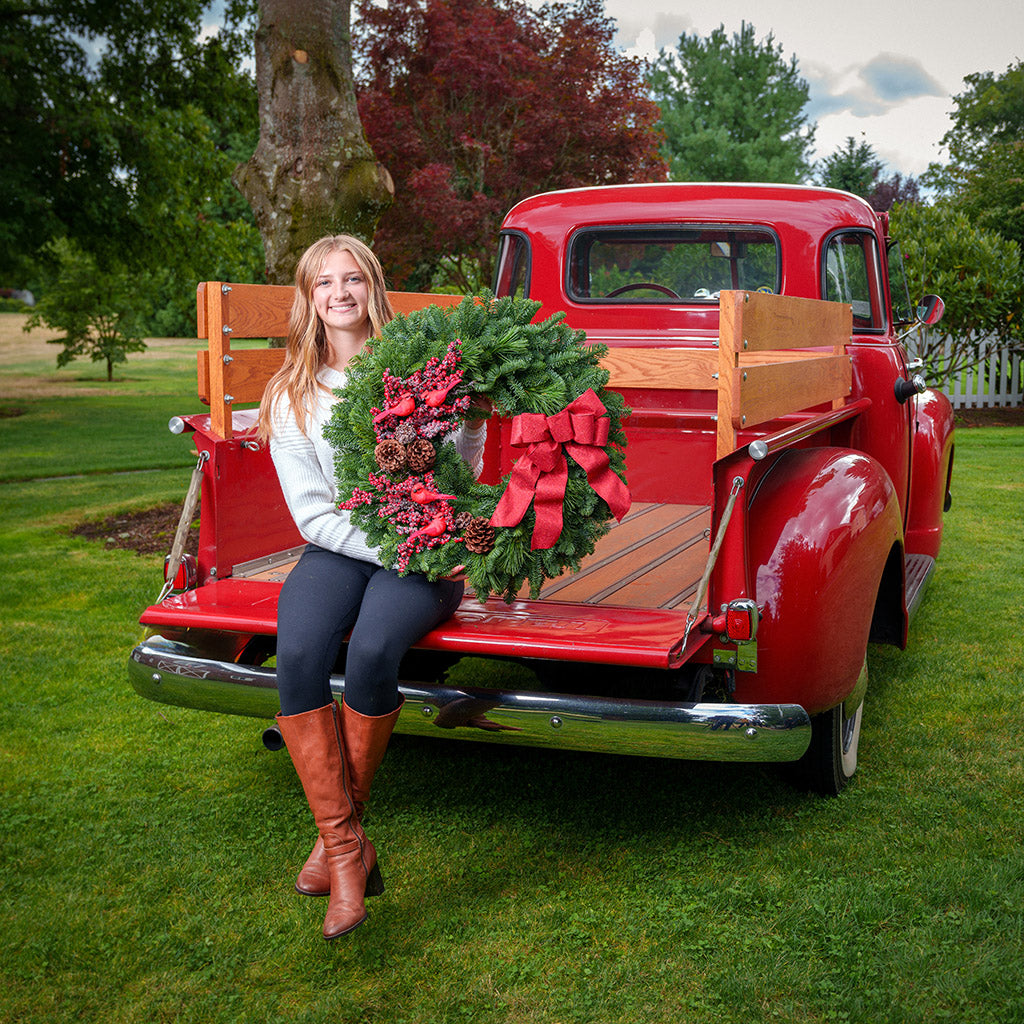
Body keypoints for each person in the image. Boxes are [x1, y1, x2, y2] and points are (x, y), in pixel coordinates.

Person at [257, 235, 485, 939]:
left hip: (424, 552)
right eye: (323, 282)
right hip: (344, 545)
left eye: (352, 279)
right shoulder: (291, 391)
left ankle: (337, 852)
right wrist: (393, 545)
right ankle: (349, 849)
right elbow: (314, 516)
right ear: (309, 298)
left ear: (373, 288)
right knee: (297, 653)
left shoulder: (416, 374)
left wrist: (469, 418)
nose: (339, 293)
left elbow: (458, 473)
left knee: (374, 649)